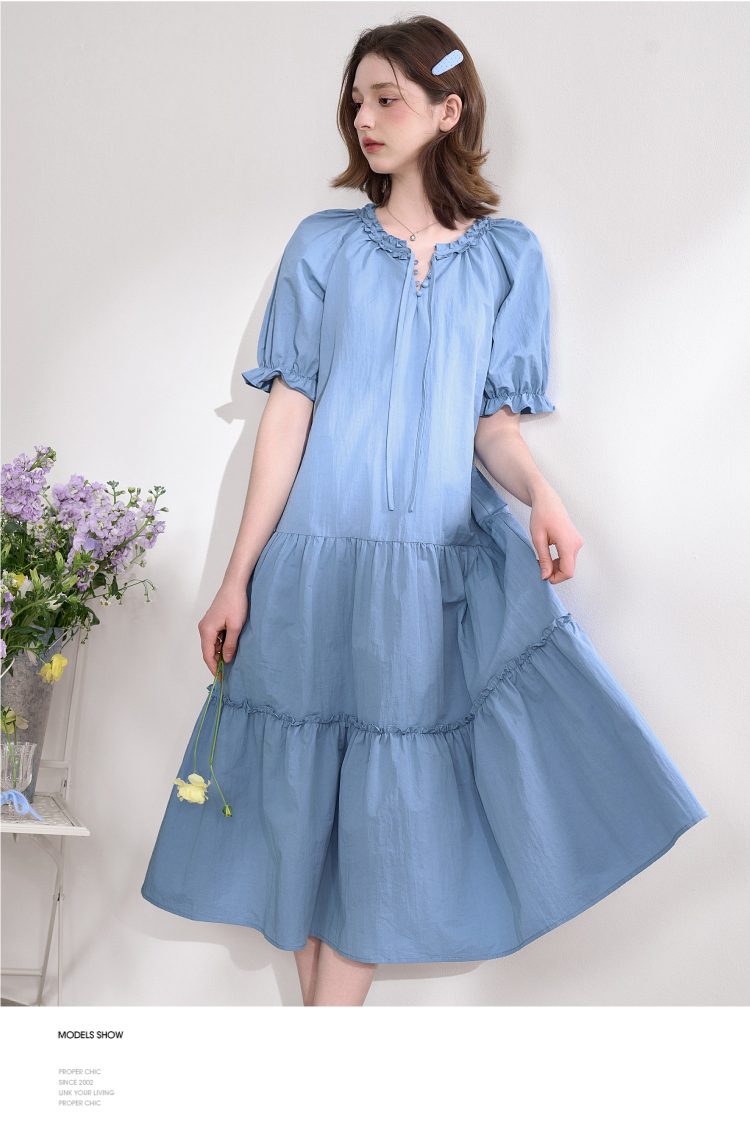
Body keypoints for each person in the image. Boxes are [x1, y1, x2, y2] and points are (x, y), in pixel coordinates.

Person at [141, 16, 707, 1007]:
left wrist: (546, 497)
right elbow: (288, 416)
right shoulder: (323, 246)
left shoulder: (509, 258)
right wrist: (237, 576)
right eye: (357, 99)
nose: (365, 117)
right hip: (313, 564)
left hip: (424, 571)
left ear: (449, 112)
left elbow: (492, 425)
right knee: (304, 814)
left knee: (379, 817)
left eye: (387, 98)